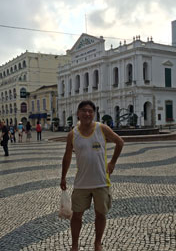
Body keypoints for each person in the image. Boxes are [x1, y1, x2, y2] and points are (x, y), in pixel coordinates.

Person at [60, 100, 124, 251]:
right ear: (78, 114)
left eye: (90, 111)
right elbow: (67, 156)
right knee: (76, 216)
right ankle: (75, 245)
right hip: (81, 183)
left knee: (100, 214)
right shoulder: (72, 134)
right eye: (84, 110)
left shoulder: (101, 128)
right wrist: (63, 177)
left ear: (94, 114)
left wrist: (113, 162)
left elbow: (120, 142)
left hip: (101, 181)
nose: (87, 113)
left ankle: (98, 243)